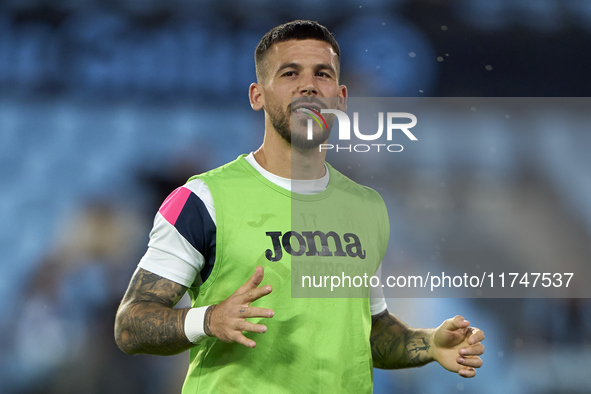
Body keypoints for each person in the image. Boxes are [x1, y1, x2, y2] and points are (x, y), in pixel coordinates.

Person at [115, 20, 485, 393]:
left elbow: (367, 333)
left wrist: (428, 344)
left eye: (321, 74)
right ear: (257, 95)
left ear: (339, 99)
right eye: (290, 73)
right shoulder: (203, 200)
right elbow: (130, 325)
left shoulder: (366, 207)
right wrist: (207, 320)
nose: (308, 85)